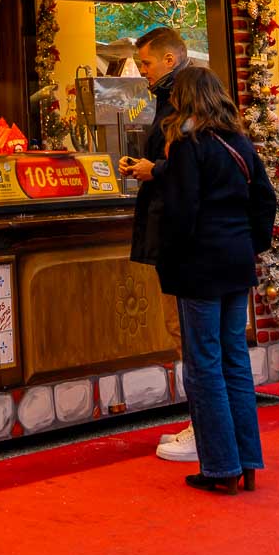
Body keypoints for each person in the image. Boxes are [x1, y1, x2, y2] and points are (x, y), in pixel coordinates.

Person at [153, 65, 276, 493]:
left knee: (203, 364)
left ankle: (220, 466)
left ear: (183, 99)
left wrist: (169, 257)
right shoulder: (239, 141)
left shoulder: (189, 144)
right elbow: (265, 199)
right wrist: (250, 243)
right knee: (235, 360)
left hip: (199, 265)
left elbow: (182, 211)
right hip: (236, 261)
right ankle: (247, 461)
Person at [118, 24, 194, 461]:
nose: (141, 70)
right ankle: (203, 425)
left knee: (187, 333)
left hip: (181, 239)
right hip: (186, 239)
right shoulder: (174, 100)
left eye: (145, 62)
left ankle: (203, 428)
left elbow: (185, 164)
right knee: (191, 335)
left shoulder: (184, 103)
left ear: (170, 60)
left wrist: (156, 170)